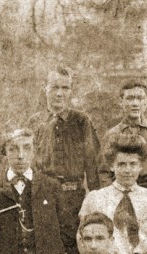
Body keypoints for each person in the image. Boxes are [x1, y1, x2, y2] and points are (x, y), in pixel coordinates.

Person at [29, 66, 101, 227]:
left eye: (65, 88)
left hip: (73, 198)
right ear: (45, 88)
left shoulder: (81, 121)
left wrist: (96, 202)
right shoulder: (35, 122)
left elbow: (93, 164)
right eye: (55, 87)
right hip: (44, 197)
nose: (59, 93)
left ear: (70, 91)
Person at [101, 80, 147, 199]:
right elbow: (104, 174)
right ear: (121, 102)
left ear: (146, 102)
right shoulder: (112, 135)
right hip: (120, 193)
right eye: (129, 98)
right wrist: (113, 200)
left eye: (139, 98)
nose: (135, 103)